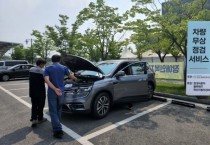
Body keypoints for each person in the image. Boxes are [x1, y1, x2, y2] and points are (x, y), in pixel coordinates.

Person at [44, 54, 77, 139]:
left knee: (53, 111)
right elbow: (71, 76)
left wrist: (55, 89)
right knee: (59, 109)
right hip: (61, 92)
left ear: (52, 60)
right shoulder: (64, 68)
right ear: (60, 60)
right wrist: (76, 78)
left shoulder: (48, 68)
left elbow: (46, 80)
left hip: (52, 92)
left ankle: (57, 130)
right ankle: (57, 125)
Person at [29, 58, 47, 127]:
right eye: (43, 64)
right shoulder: (42, 71)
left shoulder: (31, 69)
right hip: (40, 91)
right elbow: (46, 80)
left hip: (32, 91)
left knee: (34, 105)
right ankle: (40, 118)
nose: (44, 66)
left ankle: (33, 119)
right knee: (40, 105)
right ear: (41, 64)